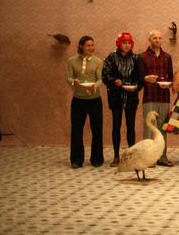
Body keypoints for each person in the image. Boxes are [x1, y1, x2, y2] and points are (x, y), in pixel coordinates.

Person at [102, 32, 141, 167]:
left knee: (131, 127)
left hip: (131, 97)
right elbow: (105, 75)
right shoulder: (111, 57)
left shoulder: (136, 58)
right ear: (119, 44)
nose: (126, 45)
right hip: (116, 97)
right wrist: (114, 81)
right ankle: (116, 156)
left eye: (129, 43)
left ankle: (131, 156)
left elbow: (140, 76)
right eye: (124, 43)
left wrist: (135, 86)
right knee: (116, 126)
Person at [66, 36, 104, 168]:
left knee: (97, 130)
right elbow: (68, 78)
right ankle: (76, 160)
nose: (91, 48)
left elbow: (100, 79)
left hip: (95, 100)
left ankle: (97, 159)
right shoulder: (71, 61)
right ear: (81, 46)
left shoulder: (98, 61)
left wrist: (94, 86)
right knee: (76, 130)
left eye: (92, 45)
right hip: (78, 100)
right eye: (88, 45)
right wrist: (74, 82)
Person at [137, 30, 173, 166]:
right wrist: (145, 78)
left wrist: (168, 84)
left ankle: (162, 157)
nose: (157, 40)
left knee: (163, 128)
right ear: (150, 40)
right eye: (154, 38)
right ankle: (148, 158)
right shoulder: (142, 57)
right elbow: (139, 78)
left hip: (164, 96)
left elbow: (170, 77)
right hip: (150, 96)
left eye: (159, 38)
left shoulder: (167, 57)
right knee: (149, 128)